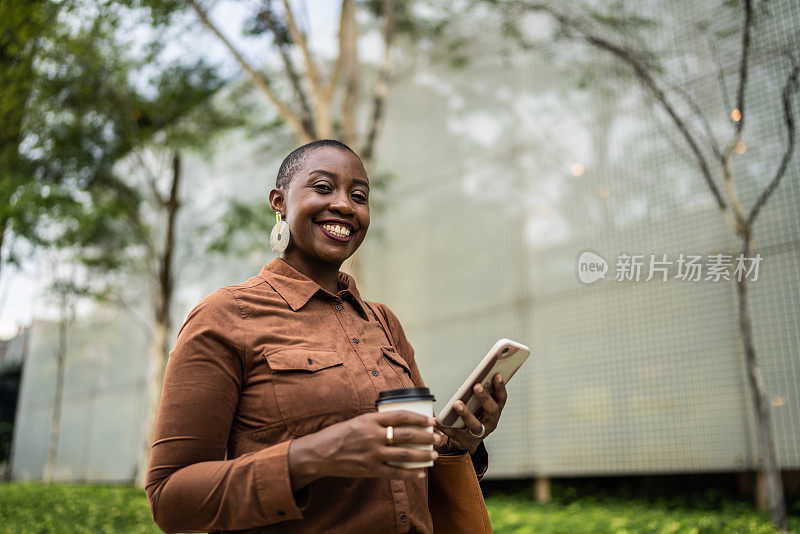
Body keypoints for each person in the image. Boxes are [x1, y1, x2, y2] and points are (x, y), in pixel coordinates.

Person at [145, 140, 509, 534]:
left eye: (359, 196)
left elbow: (415, 463)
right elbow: (171, 500)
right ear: (279, 201)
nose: (345, 206)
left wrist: (460, 440)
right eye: (322, 188)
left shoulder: (384, 322)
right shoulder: (225, 315)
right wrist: (313, 455)